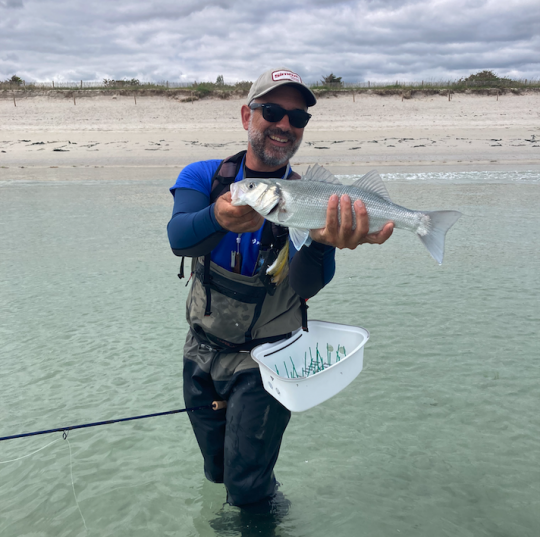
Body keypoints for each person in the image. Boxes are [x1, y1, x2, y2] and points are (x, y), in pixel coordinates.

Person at [167, 68, 393, 513]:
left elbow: (306, 286)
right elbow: (179, 237)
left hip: (270, 359)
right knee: (217, 471)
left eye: (298, 117)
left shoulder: (313, 197)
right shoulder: (205, 177)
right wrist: (217, 216)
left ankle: (263, 518)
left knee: (248, 486)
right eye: (272, 111)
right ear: (246, 115)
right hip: (201, 351)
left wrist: (325, 246)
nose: (285, 125)